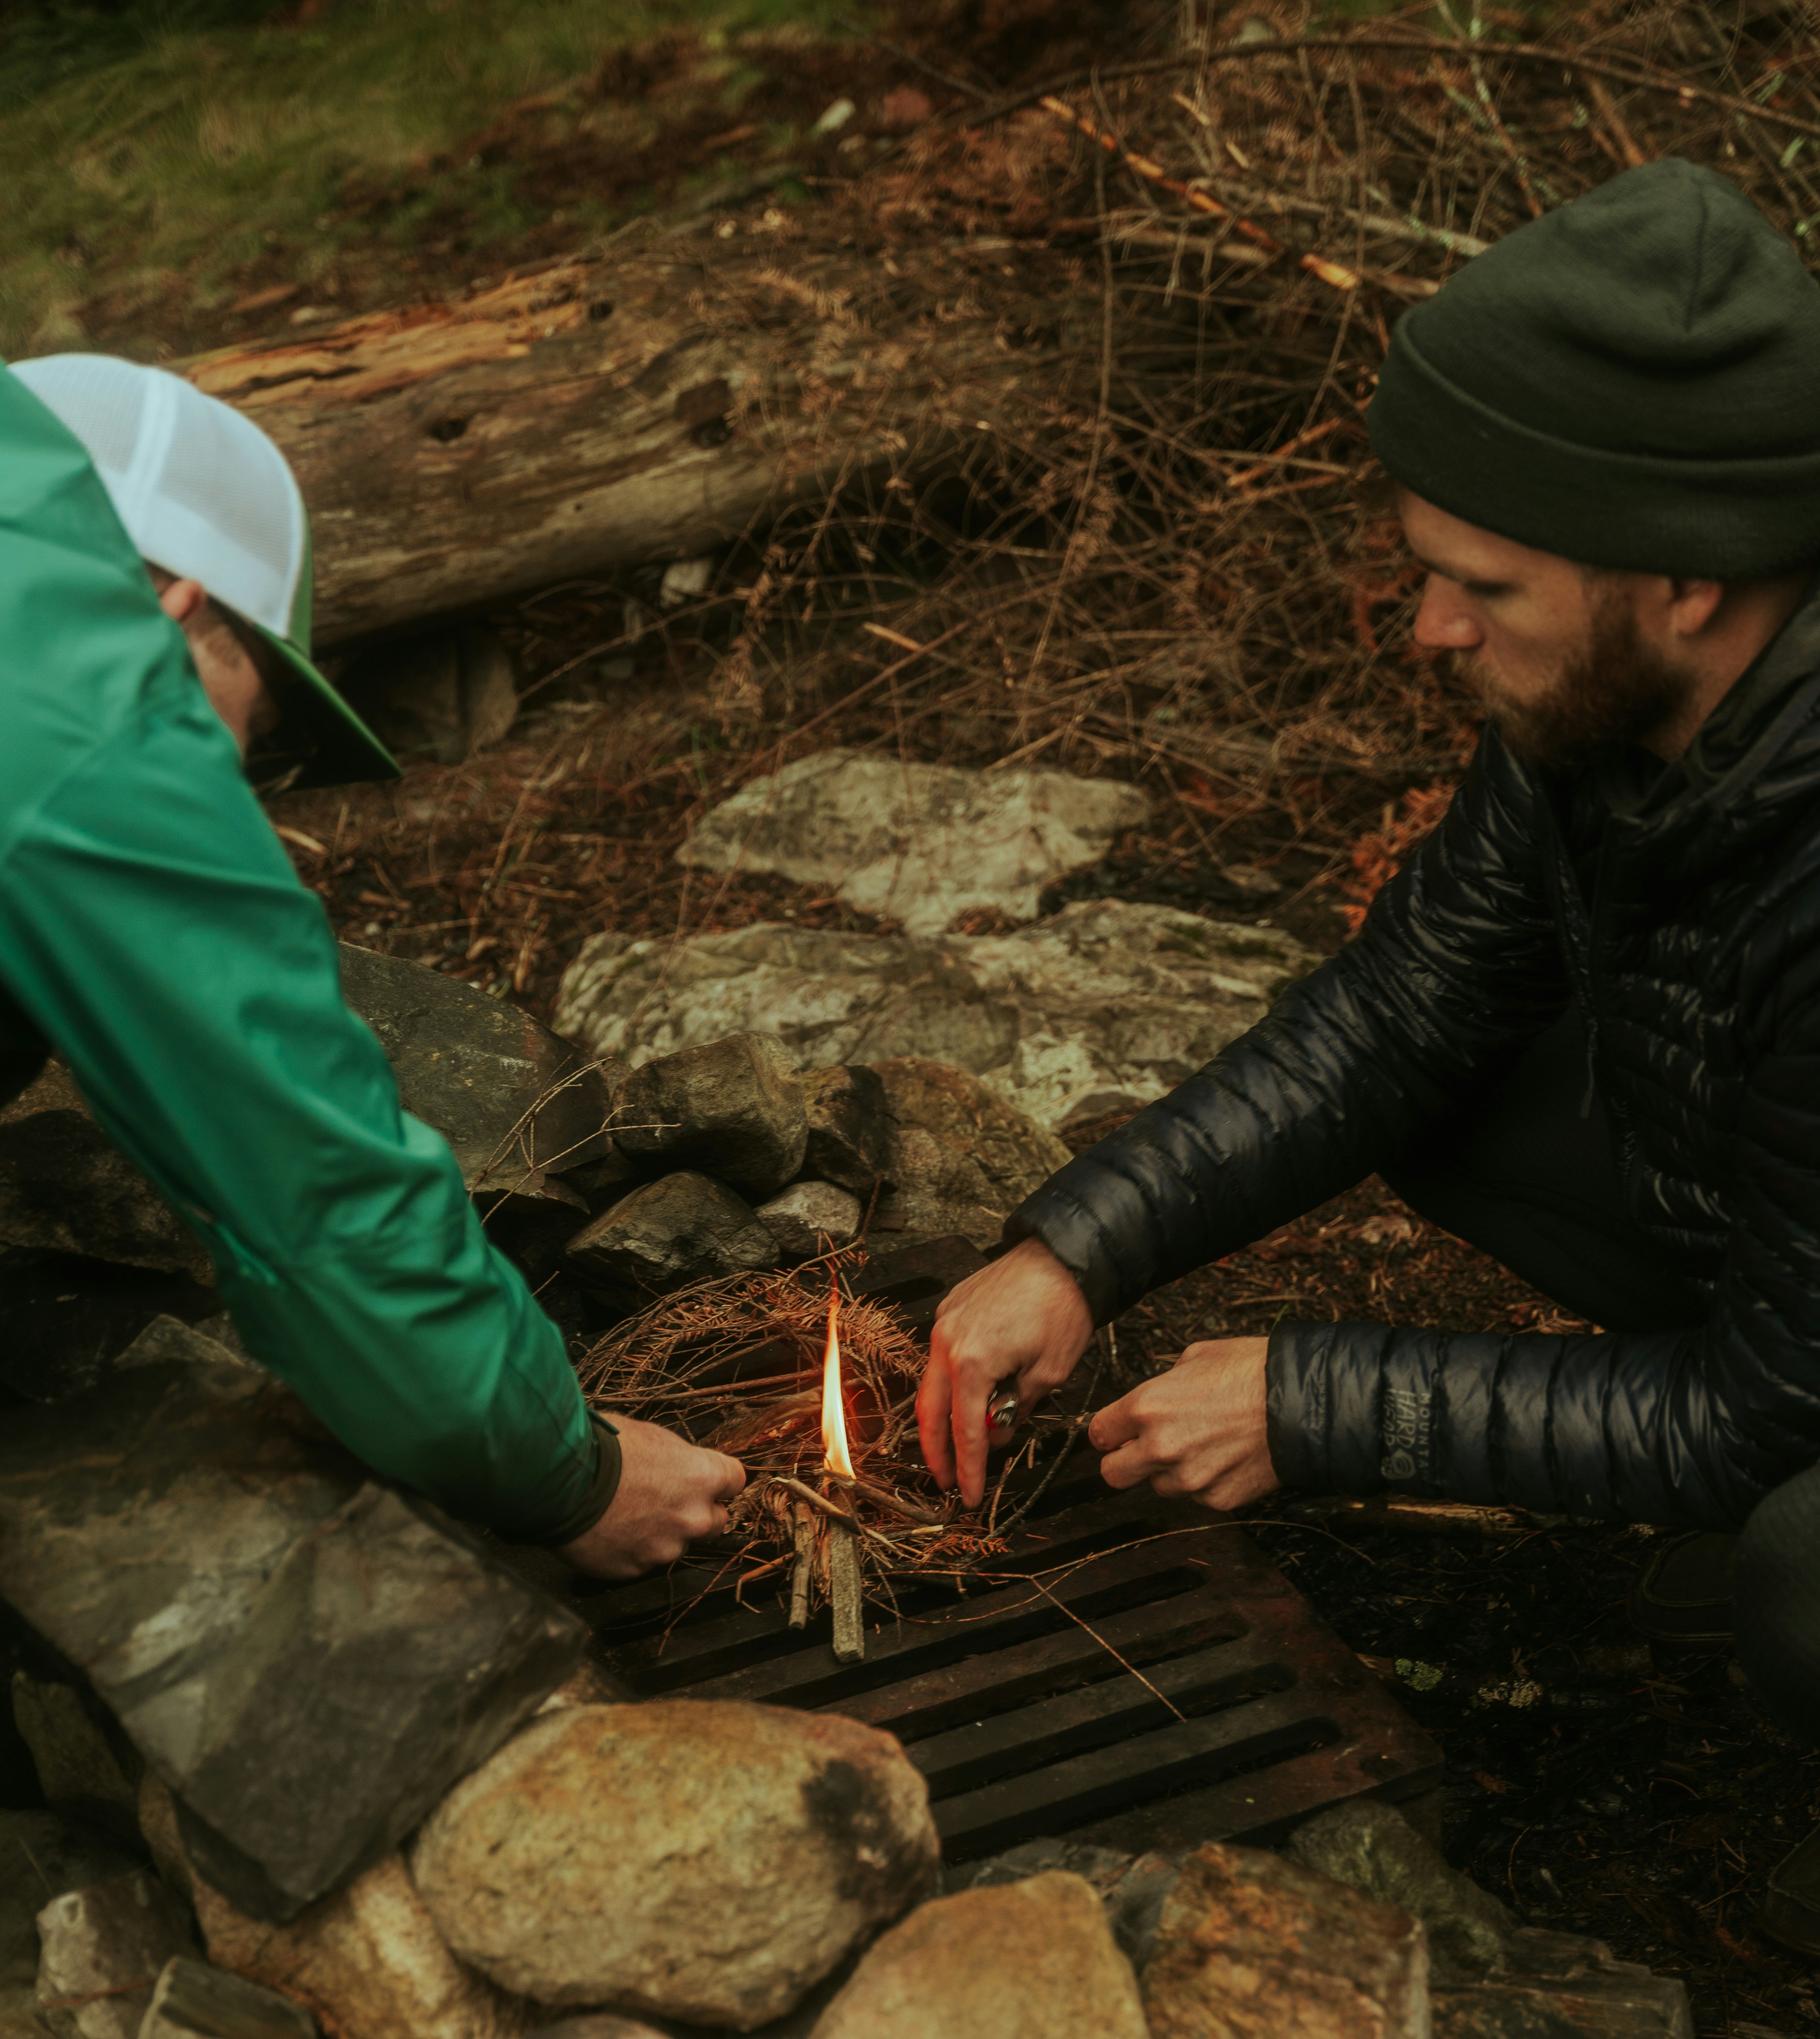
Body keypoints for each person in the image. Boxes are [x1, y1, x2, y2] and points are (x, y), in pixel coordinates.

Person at [916, 159, 1820, 1749]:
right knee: (1451, 1086)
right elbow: (1403, 1010)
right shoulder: (1611, 707)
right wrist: (1077, 1246)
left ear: (1686, 575)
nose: (1427, 629)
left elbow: (1777, 1402)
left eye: (1481, 586)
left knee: (1802, 1557)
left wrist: (1306, 1402)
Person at [0, 351, 742, 1573]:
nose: (235, 772)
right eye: (255, 728)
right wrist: (574, 1469)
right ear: (182, 602)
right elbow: (307, 1184)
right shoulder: (80, 680)